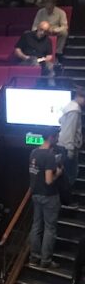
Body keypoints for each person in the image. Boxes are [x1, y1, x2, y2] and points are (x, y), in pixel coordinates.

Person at [28, 129, 63, 268]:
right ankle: (46, 260)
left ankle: (34, 257)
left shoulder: (34, 152)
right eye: (56, 136)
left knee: (36, 226)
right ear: (51, 137)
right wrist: (58, 173)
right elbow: (48, 180)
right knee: (50, 228)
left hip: (36, 194)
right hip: (49, 196)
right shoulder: (49, 156)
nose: (58, 138)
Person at [14, 20, 55, 85]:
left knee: (50, 66)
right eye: (41, 30)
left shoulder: (48, 40)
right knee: (34, 62)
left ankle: (52, 86)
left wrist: (45, 59)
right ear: (38, 27)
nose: (42, 32)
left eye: (45, 31)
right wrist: (24, 57)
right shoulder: (27, 35)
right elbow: (17, 50)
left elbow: (49, 56)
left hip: (41, 61)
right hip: (26, 60)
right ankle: (36, 85)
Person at [58, 88, 84, 188]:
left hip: (63, 145)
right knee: (70, 176)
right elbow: (70, 131)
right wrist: (70, 150)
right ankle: (66, 195)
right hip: (68, 148)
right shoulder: (75, 110)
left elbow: (60, 121)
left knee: (66, 175)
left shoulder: (69, 106)